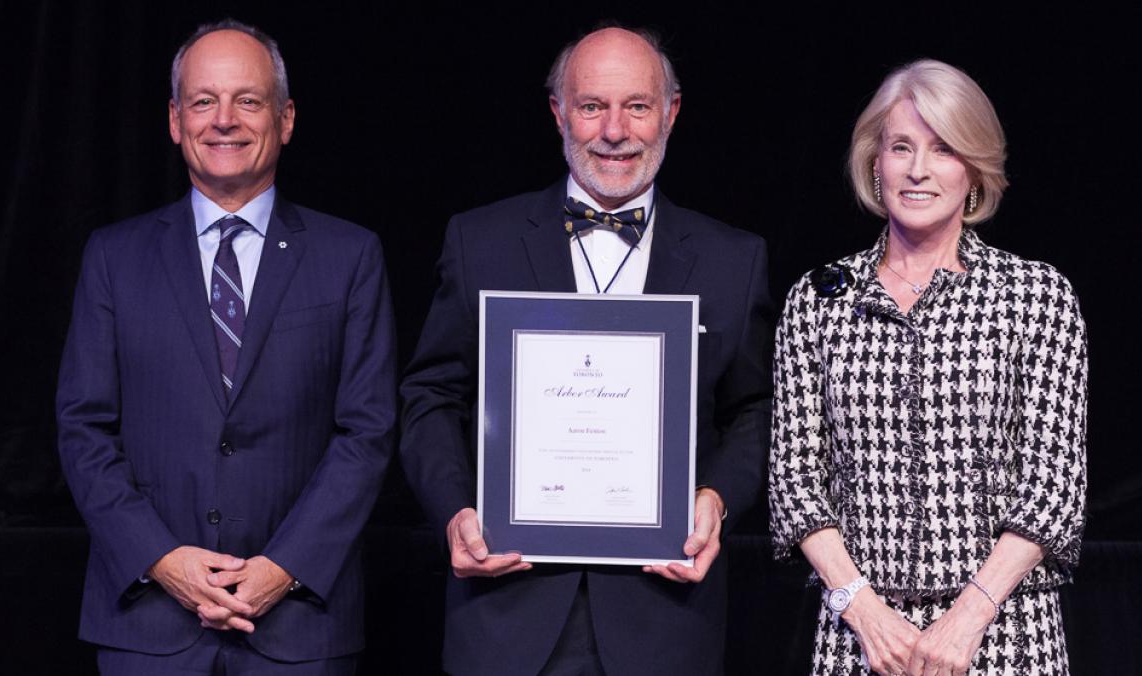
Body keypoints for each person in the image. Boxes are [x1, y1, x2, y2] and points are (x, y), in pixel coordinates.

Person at [398, 25, 773, 676]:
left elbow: (757, 408)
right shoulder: (479, 241)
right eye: (592, 106)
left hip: (666, 626)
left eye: (637, 105)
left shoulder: (732, 260)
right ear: (558, 112)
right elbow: (430, 397)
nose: (614, 130)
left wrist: (714, 498)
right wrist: (456, 510)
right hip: (504, 616)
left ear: (671, 112)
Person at [56, 19, 396, 675]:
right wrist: (161, 559)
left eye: (248, 99)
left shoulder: (351, 256)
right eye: (203, 101)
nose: (225, 120)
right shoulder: (113, 257)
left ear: (286, 117)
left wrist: (286, 567)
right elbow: (83, 427)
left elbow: (369, 429)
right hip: (148, 620)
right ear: (176, 121)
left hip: (300, 625)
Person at [768, 59, 1088, 676]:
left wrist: (967, 618)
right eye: (901, 147)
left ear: (974, 169)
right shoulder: (819, 301)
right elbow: (795, 485)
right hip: (860, 638)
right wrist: (864, 611)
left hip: (1003, 633)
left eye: (944, 150)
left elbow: (1052, 490)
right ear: (874, 163)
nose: (918, 170)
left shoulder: (1036, 297)